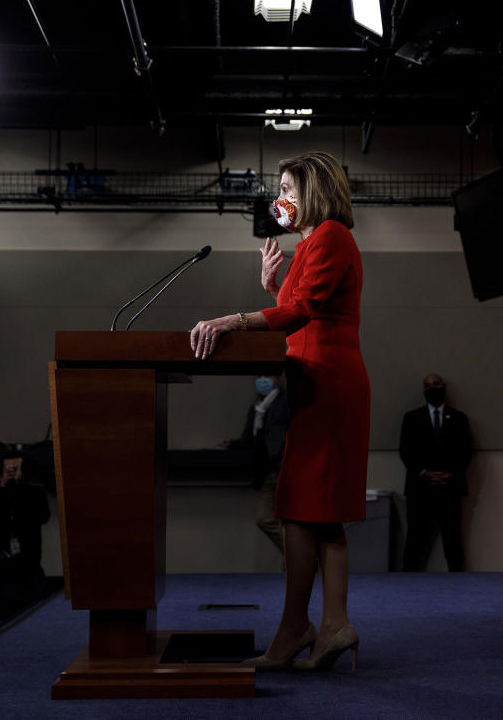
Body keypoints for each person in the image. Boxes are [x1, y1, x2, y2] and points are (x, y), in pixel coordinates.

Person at [191, 151, 369, 672]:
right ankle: (331, 626)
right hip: (315, 383)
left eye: (289, 188)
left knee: (300, 507)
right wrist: (271, 286)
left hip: (329, 386)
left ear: (313, 190)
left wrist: (232, 318)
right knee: (318, 510)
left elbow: (302, 312)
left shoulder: (331, 235)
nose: (282, 199)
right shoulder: (311, 243)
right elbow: (296, 308)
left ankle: (300, 628)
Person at [400, 373, 473, 572]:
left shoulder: (459, 418)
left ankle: (459, 584)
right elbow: (405, 451)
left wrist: (451, 473)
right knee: (415, 539)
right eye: (427, 385)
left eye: (436, 384)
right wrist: (425, 473)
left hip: (451, 488)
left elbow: (466, 451)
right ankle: (407, 585)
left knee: (453, 540)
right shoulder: (412, 418)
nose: (432, 388)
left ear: (444, 386)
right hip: (419, 488)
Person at [223, 374, 291, 557]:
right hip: (266, 472)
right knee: (264, 519)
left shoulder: (286, 402)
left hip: (285, 469)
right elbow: (251, 439)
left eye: (267, 376)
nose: (262, 380)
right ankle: (298, 556)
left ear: (277, 378)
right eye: (258, 376)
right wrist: (233, 444)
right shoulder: (256, 409)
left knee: (292, 522)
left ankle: (298, 561)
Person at [0, 457, 51, 617]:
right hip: (4, 562)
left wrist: (21, 486)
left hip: (29, 561)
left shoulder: (37, 496)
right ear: (1, 476)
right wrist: (4, 488)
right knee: (8, 608)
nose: (14, 473)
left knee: (37, 608)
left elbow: (42, 517)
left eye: (17, 469)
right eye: (9, 471)